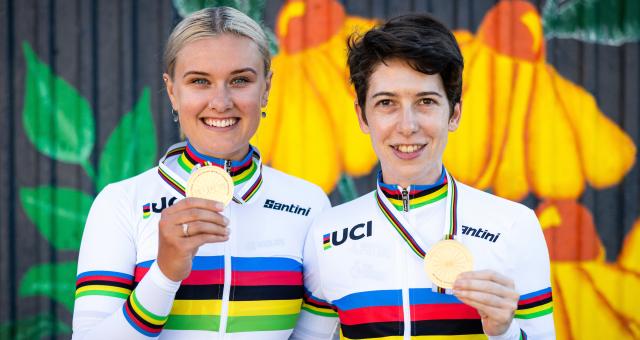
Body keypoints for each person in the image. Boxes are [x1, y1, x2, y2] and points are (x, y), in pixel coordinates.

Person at [72, 7, 330, 339]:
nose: (220, 102)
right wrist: (164, 274)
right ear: (172, 91)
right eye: (199, 81)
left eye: (240, 80)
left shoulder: (309, 204)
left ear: (266, 88)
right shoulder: (121, 203)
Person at [293, 14, 555, 339]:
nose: (408, 125)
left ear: (454, 113)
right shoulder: (327, 233)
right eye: (386, 103)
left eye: (426, 101)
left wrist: (504, 331)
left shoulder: (514, 225)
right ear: (362, 116)